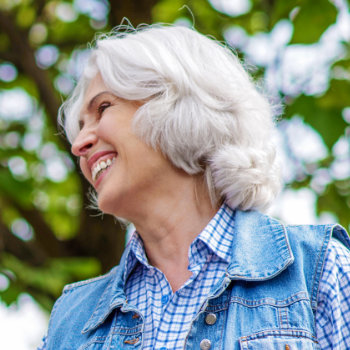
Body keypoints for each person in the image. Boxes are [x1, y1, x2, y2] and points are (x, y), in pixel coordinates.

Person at [40, 24, 350, 350]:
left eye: (103, 108)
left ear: (177, 106)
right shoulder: (71, 320)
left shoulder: (322, 271)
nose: (79, 145)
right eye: (79, 128)